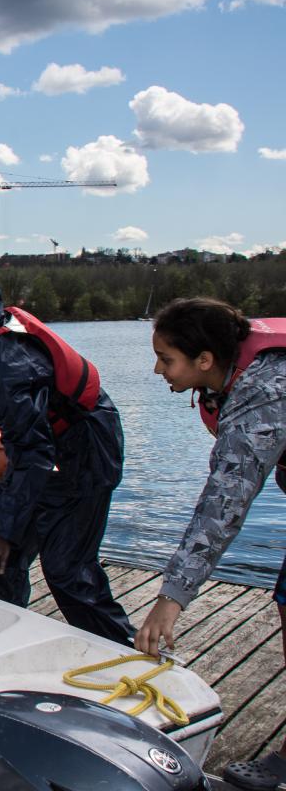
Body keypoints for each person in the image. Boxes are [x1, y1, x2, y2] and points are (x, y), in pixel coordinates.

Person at [0, 263, 133, 645]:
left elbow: (33, 452)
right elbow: (30, 450)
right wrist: (3, 530)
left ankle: (123, 650)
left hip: (87, 447)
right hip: (45, 449)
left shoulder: (8, 365)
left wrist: (4, 529)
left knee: (67, 568)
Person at [132, 299, 285, 791]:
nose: (158, 370)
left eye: (166, 359)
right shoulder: (231, 377)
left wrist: (171, 598)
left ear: (204, 360)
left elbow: (223, 504)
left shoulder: (264, 391)